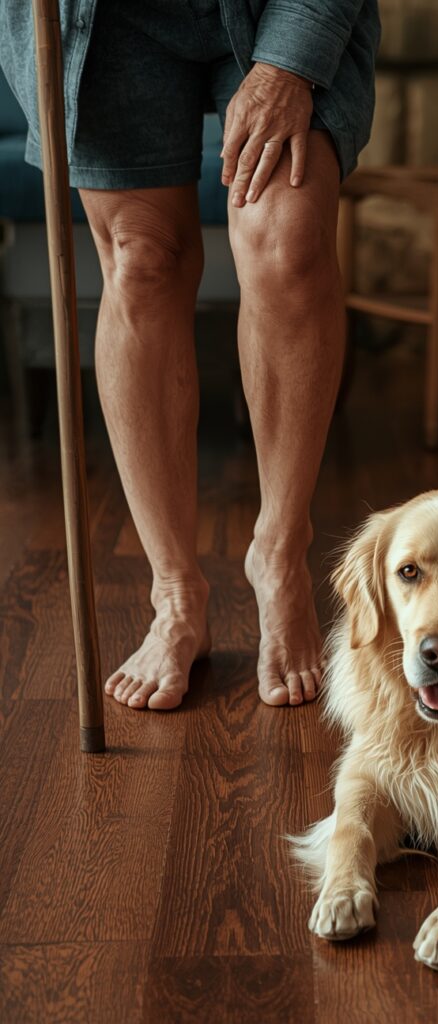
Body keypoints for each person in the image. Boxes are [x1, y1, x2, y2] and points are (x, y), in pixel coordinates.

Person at [0, 1, 381, 708]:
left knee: (286, 242)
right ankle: (175, 594)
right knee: (140, 261)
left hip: (273, 7)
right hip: (104, 19)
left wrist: (290, 63)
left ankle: (280, 556)